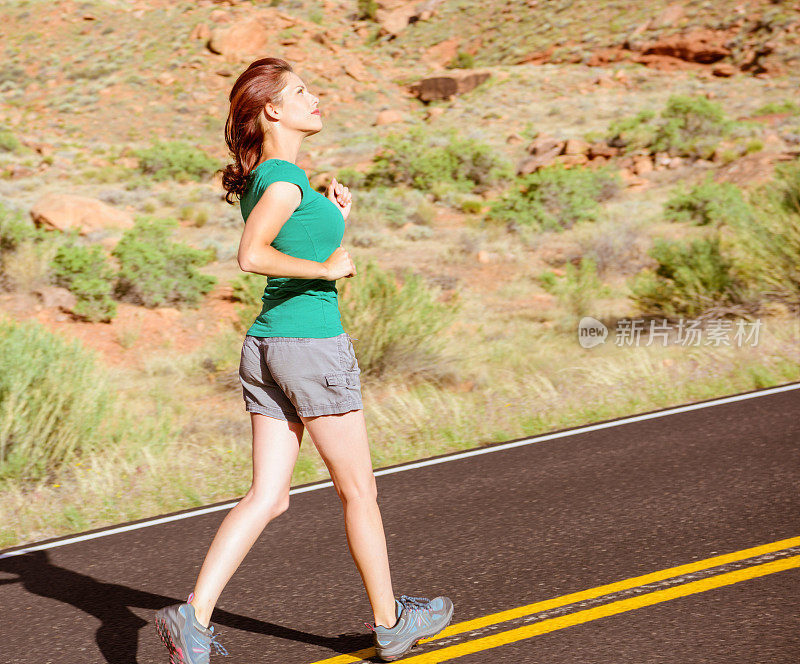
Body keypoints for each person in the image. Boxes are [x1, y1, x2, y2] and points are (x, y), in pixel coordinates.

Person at [153, 57, 454, 664]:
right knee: (359, 491)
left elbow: (290, 244)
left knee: (269, 495)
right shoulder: (286, 179)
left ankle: (194, 617)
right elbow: (252, 254)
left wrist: (335, 223)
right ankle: (392, 623)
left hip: (268, 346)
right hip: (310, 347)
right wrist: (326, 268)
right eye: (302, 92)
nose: (316, 98)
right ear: (273, 110)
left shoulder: (274, 178)